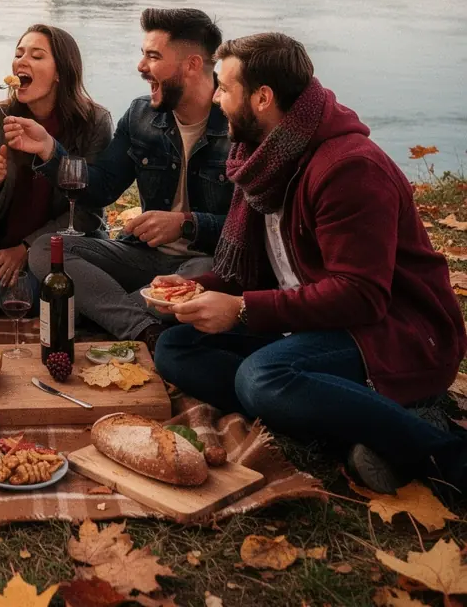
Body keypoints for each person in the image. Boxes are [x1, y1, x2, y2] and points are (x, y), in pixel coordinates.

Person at [154, 32, 467, 494]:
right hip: (309, 322)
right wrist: (192, 290)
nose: (215, 98)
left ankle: (443, 453)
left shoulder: (348, 168)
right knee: (176, 347)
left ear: (262, 98)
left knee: (261, 379)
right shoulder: (263, 160)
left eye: (224, 87)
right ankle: (358, 429)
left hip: (394, 331)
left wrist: (242, 310)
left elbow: (362, 296)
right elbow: (258, 274)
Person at [4, 8, 232, 352]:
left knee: (198, 282)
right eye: (143, 54)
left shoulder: (236, 125)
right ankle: (144, 327)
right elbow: (101, 188)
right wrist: (50, 151)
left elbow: (250, 229)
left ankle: (110, 313)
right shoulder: (141, 115)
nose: (141, 66)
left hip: (205, 261)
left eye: (152, 56)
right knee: (46, 251)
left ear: (192, 64)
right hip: (143, 256)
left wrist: (187, 224)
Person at [0, 24, 113, 315]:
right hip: (3, 242)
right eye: (18, 54)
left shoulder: (94, 121)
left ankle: (41, 296)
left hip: (68, 246)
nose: (21, 62)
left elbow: (88, 210)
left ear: (60, 73)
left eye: (37, 56)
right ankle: (48, 300)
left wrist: (27, 248)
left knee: (58, 286)